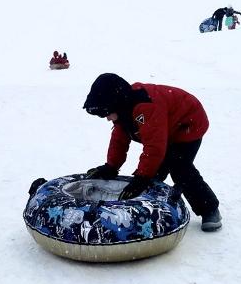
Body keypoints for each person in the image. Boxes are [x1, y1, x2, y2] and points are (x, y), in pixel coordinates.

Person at [82, 73, 222, 232]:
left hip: (188, 122)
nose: (107, 118)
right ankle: (153, 211)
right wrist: (111, 167)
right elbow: (119, 141)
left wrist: (142, 177)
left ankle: (209, 208)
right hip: (165, 126)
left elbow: (154, 147)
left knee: (179, 167)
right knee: (154, 172)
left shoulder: (145, 107)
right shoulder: (123, 110)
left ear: (116, 103)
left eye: (106, 113)